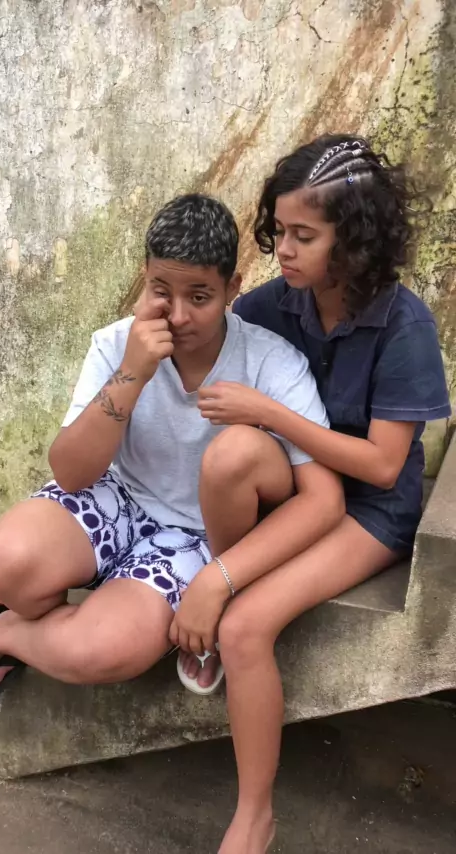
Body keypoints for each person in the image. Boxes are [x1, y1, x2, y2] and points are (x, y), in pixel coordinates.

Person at [172, 135, 451, 854]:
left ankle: (254, 817)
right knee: (234, 453)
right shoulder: (273, 305)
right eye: (280, 231)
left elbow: (384, 468)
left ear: (353, 238)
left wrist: (270, 413)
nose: (285, 251)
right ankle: (226, 580)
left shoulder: (404, 325)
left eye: (305, 235)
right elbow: (202, 349)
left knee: (244, 629)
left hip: (368, 512)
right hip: (294, 494)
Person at [0, 193, 343, 724]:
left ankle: (3, 633)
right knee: (5, 562)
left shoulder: (272, 363)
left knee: (102, 649)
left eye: (200, 296)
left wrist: (220, 577)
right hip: (121, 497)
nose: (178, 315)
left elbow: (323, 500)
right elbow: (72, 474)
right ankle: (32, 614)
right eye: (160, 292)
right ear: (145, 278)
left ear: (233, 289)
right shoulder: (117, 345)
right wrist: (133, 372)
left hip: (202, 536)